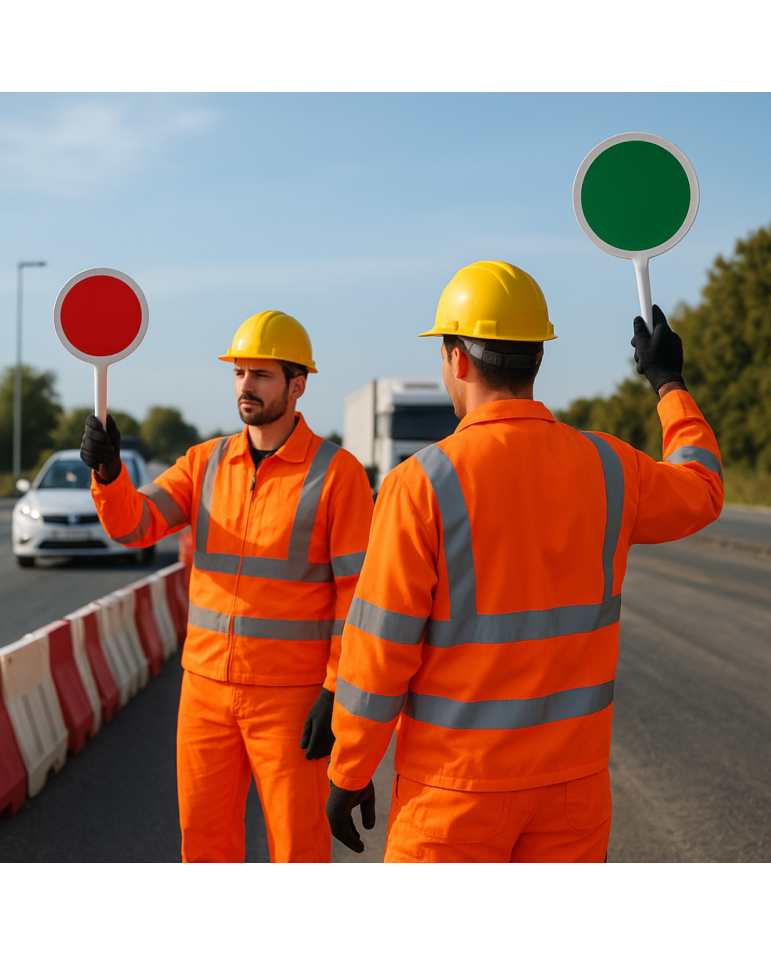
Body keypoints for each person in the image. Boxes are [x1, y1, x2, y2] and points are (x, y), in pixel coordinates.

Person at [326, 260, 724, 863]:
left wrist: (349, 770)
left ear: (456, 359)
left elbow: (379, 651)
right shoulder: (612, 466)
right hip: (574, 792)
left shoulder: (421, 484)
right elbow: (702, 487)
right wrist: (669, 384)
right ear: (538, 358)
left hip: (454, 794)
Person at [82, 310, 373, 862]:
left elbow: (356, 597)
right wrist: (110, 475)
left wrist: (337, 694)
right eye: (240, 373)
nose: (246, 386)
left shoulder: (338, 474)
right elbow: (136, 525)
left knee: (297, 849)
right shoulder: (205, 462)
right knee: (205, 845)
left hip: (292, 698)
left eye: (261, 375)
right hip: (206, 691)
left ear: (297, 384)